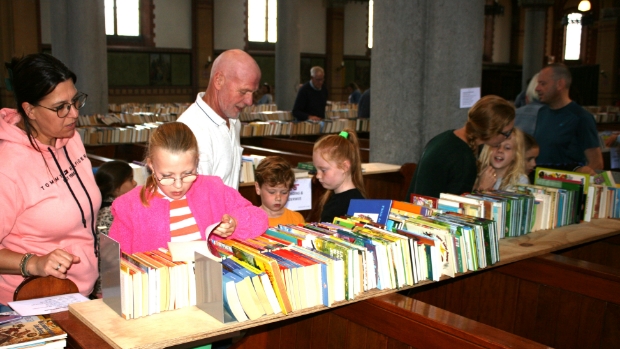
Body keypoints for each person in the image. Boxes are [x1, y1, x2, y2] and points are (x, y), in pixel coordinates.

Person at [0, 53, 100, 308]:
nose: (74, 113)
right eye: (60, 107)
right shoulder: (8, 166)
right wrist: (33, 263)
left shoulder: (71, 139)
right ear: (29, 110)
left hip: (79, 294)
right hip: (30, 302)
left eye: (75, 101)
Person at [109, 122, 268, 255]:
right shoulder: (129, 207)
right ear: (151, 165)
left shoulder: (213, 189)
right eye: (167, 175)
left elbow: (259, 217)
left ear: (196, 162)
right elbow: (118, 265)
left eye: (187, 174)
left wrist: (235, 223)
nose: (178, 185)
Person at [177, 49, 261, 189]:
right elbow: (197, 199)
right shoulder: (190, 130)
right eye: (243, 91)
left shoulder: (233, 120)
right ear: (219, 80)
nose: (249, 101)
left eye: (253, 93)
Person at [406, 95, 515, 199]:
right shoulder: (463, 157)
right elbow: (455, 210)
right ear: (491, 131)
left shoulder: (446, 137)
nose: (507, 137)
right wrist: (482, 189)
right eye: (506, 133)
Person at [530, 63, 603, 175]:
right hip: (539, 183)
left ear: (560, 84)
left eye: (543, 84)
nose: (537, 88)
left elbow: (596, 164)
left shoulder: (581, 118)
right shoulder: (542, 113)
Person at [92, 161, 137, 297]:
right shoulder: (111, 213)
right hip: (108, 286)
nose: (134, 183)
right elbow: (110, 256)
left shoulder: (99, 207)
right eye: (130, 179)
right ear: (116, 187)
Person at [313, 129, 366, 223]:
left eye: (323, 170)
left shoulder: (356, 203)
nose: (318, 176)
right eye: (316, 170)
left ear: (344, 166)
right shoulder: (332, 196)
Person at [254, 156, 305, 226]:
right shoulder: (250, 219)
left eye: (284, 192)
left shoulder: (297, 219)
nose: (278, 198)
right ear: (258, 188)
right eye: (272, 192)